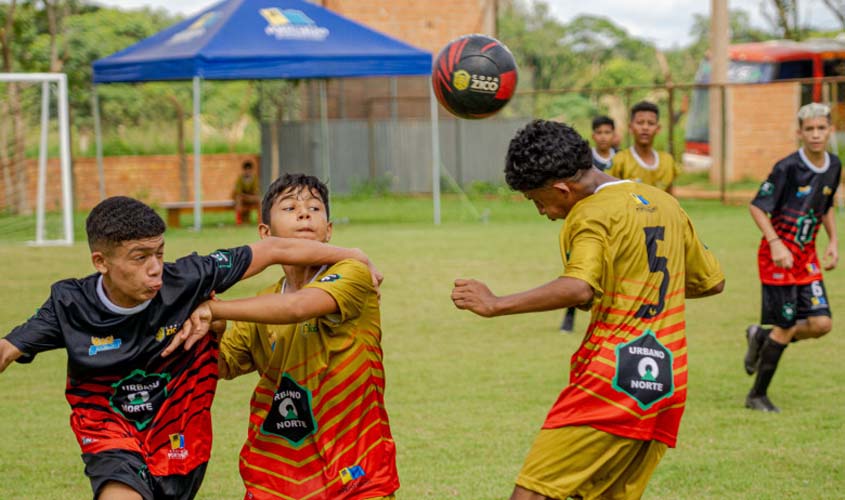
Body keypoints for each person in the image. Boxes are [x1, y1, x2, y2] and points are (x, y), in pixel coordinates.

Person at [0, 196, 378, 500]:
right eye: (140, 257)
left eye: (159, 253)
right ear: (101, 262)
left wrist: (353, 255)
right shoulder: (68, 304)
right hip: (109, 431)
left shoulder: (189, 278)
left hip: (180, 442)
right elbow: (7, 348)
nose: (155, 269)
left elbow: (273, 249)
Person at [451, 120, 724, 500]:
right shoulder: (665, 202)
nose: (542, 211)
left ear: (562, 188)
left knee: (531, 494)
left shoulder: (589, 214)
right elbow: (711, 282)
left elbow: (579, 287)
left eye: (537, 200)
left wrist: (496, 304)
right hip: (667, 380)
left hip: (612, 379)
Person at [176, 174, 398, 500]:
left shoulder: (354, 273)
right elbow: (223, 364)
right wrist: (214, 333)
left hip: (355, 474)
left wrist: (218, 309)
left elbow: (296, 307)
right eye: (290, 207)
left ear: (329, 230)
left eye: (314, 207)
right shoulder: (264, 302)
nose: (304, 214)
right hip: (277, 477)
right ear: (265, 233)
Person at [743, 102, 840, 413]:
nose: (815, 135)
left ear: (830, 130)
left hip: (806, 257)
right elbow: (757, 206)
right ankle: (756, 395)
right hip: (778, 257)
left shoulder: (835, 165)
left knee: (822, 323)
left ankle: (760, 335)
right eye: (809, 129)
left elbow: (825, 207)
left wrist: (834, 241)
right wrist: (776, 243)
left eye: (821, 128)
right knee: (785, 327)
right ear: (799, 133)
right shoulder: (787, 167)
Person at [560, 115, 618, 332]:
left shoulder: (619, 159)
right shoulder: (584, 161)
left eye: (607, 132)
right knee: (578, 272)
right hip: (587, 223)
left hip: (614, 224)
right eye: (600, 133)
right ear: (593, 135)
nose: (603, 137)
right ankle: (569, 316)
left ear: (614, 135)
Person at [609, 101, 680, 193]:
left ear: (658, 128)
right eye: (640, 122)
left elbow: (670, 196)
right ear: (630, 127)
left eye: (650, 123)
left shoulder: (668, 161)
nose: (645, 127)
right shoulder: (620, 160)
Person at [233, 160, 261, 225]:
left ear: (251, 170)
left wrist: (250, 196)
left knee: (259, 199)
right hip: (242, 198)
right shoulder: (240, 179)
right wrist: (245, 195)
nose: (248, 171)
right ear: (244, 170)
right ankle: (239, 221)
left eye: (249, 170)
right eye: (246, 169)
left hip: (251, 197)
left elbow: (256, 191)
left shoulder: (255, 178)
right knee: (238, 198)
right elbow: (238, 191)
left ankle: (260, 220)